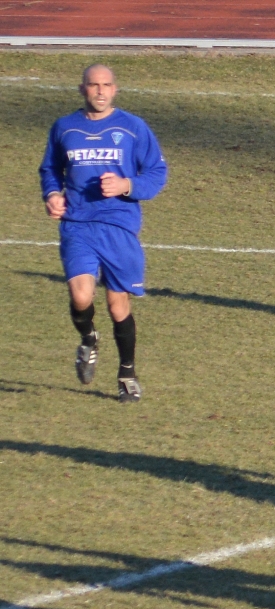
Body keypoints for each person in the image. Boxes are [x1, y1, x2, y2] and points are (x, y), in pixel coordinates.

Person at [39, 64, 168, 403]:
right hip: (78, 224)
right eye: (93, 85)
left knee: (116, 303)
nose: (99, 91)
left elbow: (157, 172)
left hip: (119, 225)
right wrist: (52, 194)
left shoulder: (133, 128)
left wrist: (128, 185)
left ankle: (127, 373)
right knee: (81, 297)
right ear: (83, 89)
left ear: (115, 89)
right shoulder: (65, 127)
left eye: (106, 85)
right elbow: (51, 168)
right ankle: (89, 339)